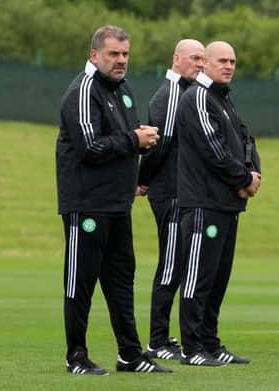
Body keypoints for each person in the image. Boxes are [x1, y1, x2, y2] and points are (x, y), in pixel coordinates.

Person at [56, 25, 171, 375]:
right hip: (86, 205)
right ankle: (76, 356)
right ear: (94, 55)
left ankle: (130, 355)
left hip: (118, 205)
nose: (121, 61)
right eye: (113, 54)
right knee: (80, 282)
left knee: (122, 281)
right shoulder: (82, 91)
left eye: (125, 54)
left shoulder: (124, 90)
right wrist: (133, 140)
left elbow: (124, 138)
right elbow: (91, 147)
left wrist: (143, 142)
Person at [175, 41, 261, 366]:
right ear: (205, 63)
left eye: (233, 61)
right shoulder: (197, 97)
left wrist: (253, 173)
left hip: (226, 204)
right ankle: (192, 348)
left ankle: (210, 343)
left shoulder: (224, 99)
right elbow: (214, 148)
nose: (228, 66)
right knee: (198, 277)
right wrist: (242, 179)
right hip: (202, 204)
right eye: (222, 60)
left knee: (218, 278)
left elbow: (245, 139)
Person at [137, 39, 205, 361]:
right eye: (195, 58)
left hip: (182, 191)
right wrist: (143, 179)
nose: (200, 64)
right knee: (170, 266)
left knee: (177, 266)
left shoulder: (188, 93)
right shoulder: (170, 94)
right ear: (176, 59)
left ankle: (163, 337)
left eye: (203, 59)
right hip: (171, 192)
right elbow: (158, 146)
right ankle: (156, 341)